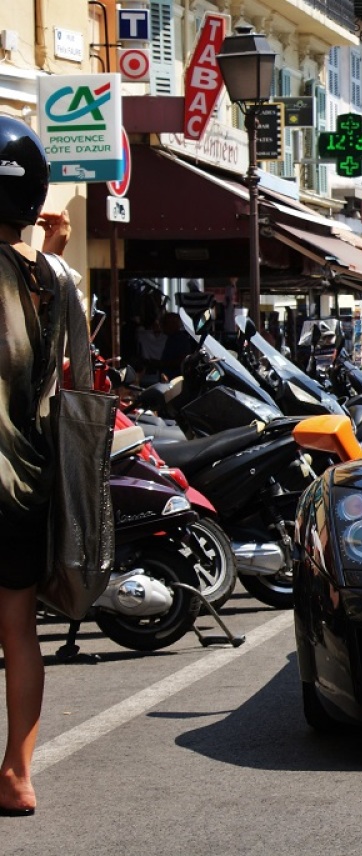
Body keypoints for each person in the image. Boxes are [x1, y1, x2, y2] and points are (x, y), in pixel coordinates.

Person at [0, 115, 87, 817]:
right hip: (25, 484)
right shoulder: (59, 278)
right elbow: (80, 380)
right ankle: (17, 775)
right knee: (18, 628)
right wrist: (51, 254)